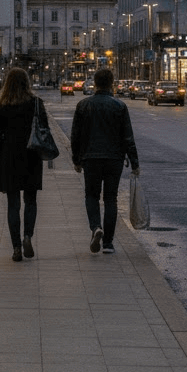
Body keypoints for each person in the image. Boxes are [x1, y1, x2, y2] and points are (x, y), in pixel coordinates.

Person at [70, 68, 139, 254]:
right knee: (110, 198)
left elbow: (75, 136)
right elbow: (128, 137)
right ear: (112, 83)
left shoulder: (83, 105)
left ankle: (95, 227)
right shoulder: (119, 106)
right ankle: (108, 243)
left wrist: (76, 159)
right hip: (114, 159)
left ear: (95, 83)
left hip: (90, 158)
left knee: (91, 195)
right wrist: (135, 163)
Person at [0, 67, 43, 261]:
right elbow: (44, 130)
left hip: (9, 156)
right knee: (31, 201)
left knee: (13, 204)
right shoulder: (36, 103)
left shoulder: (2, 105)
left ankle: (17, 247)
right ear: (26, 83)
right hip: (32, 155)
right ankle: (28, 235)